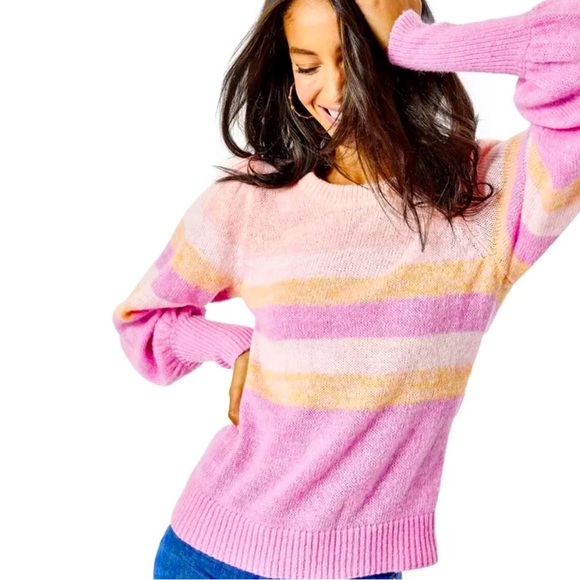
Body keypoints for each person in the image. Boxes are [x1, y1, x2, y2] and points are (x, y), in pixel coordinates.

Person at [111, 0, 580, 577]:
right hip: (207, 555)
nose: (333, 89)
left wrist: (420, 43)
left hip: (360, 565)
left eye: (355, 57)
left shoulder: (481, 200)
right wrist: (236, 348)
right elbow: (142, 319)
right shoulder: (250, 201)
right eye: (307, 65)